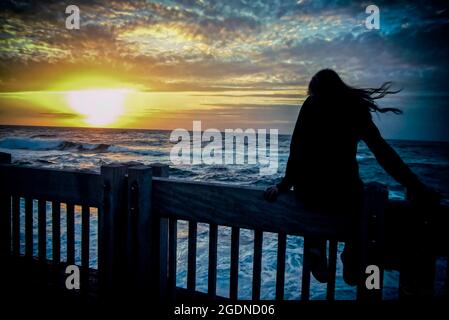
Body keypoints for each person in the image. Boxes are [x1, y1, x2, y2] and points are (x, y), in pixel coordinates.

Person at [264, 69, 439, 286]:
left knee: (315, 199)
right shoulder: (354, 108)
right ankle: (352, 256)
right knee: (361, 204)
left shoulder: (311, 104)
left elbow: (297, 150)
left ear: (314, 91)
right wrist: (415, 186)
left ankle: (316, 244)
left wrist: (283, 185)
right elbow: (382, 151)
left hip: (309, 192)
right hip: (344, 192)